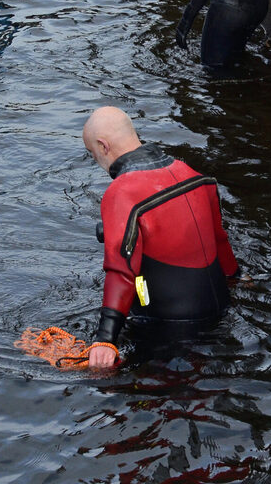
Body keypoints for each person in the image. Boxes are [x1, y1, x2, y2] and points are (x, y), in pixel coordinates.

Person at [82, 106, 239, 369]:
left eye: (92, 153)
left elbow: (120, 270)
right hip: (221, 308)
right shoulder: (191, 174)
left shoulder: (121, 192)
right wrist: (235, 278)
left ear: (103, 145)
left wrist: (105, 340)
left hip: (171, 327)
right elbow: (220, 239)